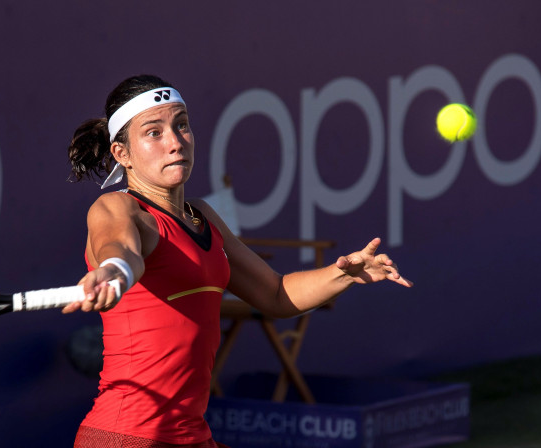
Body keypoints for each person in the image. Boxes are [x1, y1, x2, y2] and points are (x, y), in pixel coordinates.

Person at [64, 74, 413, 448]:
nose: (175, 142)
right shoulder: (118, 207)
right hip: (127, 437)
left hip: (191, 436)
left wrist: (344, 274)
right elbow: (120, 249)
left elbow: (276, 295)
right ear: (122, 153)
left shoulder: (203, 216)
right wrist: (114, 271)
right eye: (154, 132)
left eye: (181, 125)